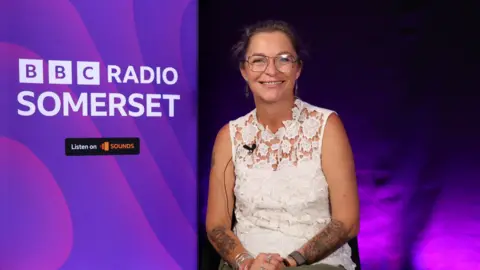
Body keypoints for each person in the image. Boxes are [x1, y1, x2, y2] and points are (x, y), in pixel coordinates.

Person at [205, 20, 360, 270]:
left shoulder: (327, 126)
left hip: (315, 264)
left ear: (297, 69)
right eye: (258, 60)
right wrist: (246, 263)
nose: (271, 70)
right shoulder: (229, 136)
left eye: (284, 59)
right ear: (244, 71)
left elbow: (346, 222)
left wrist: (290, 263)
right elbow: (217, 226)